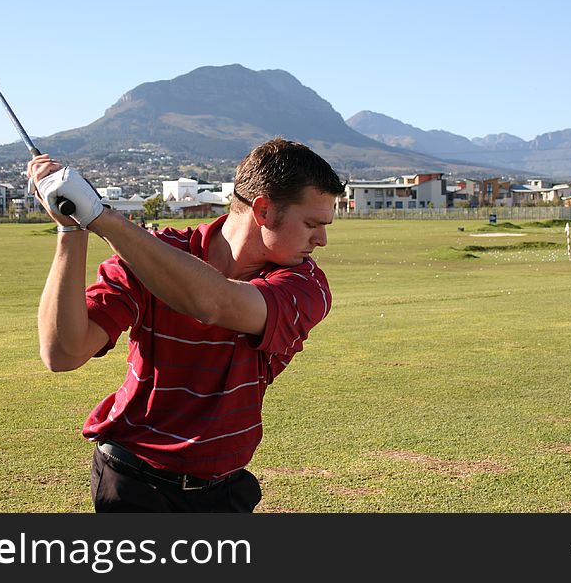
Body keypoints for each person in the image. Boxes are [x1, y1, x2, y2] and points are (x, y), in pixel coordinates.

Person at [27, 138, 345, 512]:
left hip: (223, 489)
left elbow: (214, 303)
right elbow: (63, 353)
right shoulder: (152, 256)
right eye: (311, 223)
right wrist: (72, 229)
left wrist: (101, 217)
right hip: (131, 480)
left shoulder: (306, 286)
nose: (321, 239)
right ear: (263, 210)